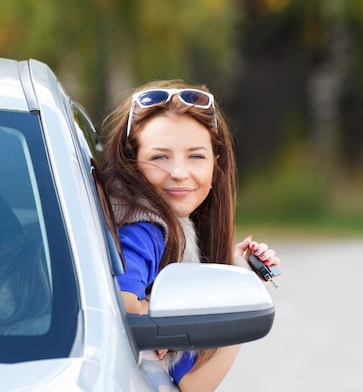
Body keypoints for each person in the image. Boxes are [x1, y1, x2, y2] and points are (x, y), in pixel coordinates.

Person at [100, 79, 280, 391]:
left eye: (195, 156)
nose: (180, 172)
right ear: (132, 162)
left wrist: (243, 280)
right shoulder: (144, 226)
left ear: (216, 164)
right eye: (160, 157)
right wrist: (155, 312)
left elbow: (191, 379)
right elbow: (126, 304)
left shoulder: (173, 227)